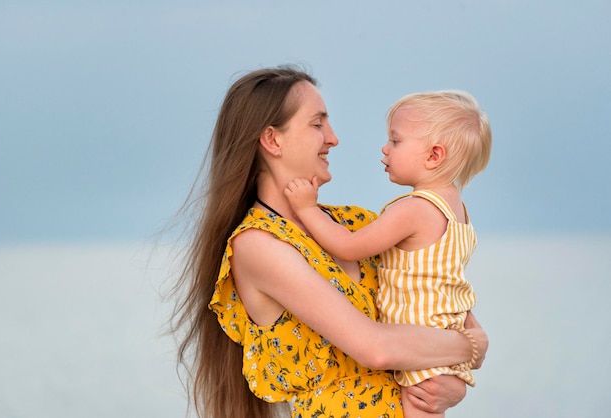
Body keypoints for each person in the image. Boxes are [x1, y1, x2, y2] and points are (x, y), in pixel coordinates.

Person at [167, 66, 488, 418]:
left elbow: (446, 303)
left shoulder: (356, 224)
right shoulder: (258, 245)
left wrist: (451, 384)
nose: (333, 138)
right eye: (318, 124)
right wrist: (471, 348)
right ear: (273, 140)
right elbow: (376, 348)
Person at [283, 90, 492, 418]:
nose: (385, 148)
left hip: (417, 338)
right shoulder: (457, 211)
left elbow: (349, 246)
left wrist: (308, 209)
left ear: (434, 155)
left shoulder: (415, 209)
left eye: (395, 141)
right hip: (443, 335)